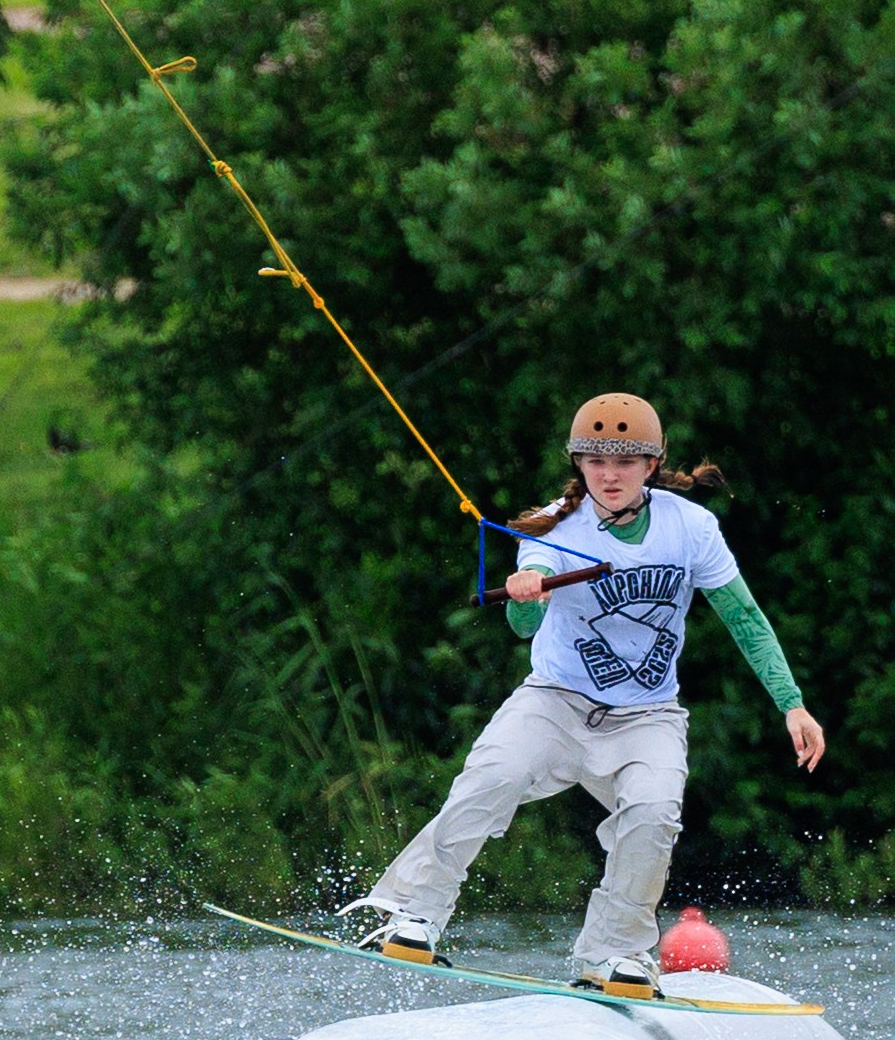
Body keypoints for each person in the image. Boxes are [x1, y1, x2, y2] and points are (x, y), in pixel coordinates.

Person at [340, 391, 825, 999]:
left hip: (647, 714)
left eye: (625, 462)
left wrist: (792, 703)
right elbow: (523, 630)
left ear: (651, 466)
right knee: (490, 777)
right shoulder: (552, 526)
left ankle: (614, 953)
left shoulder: (692, 528)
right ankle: (413, 912)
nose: (610, 475)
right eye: (596, 462)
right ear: (579, 466)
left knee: (652, 817)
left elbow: (745, 619)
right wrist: (526, 597)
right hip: (556, 701)